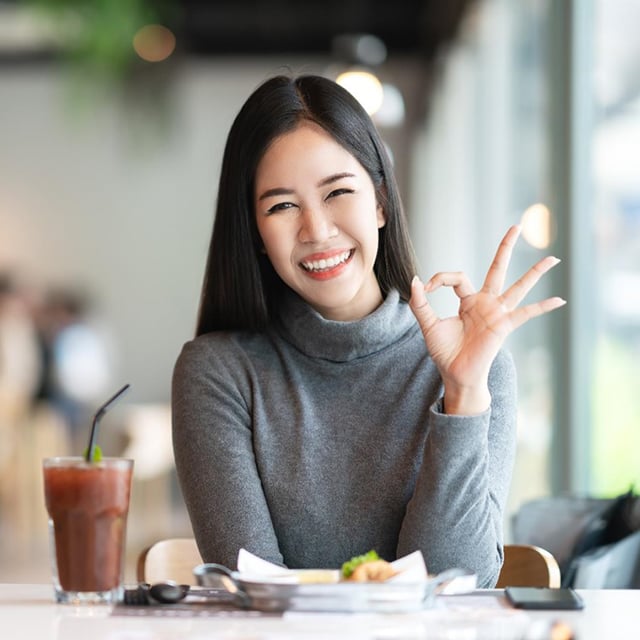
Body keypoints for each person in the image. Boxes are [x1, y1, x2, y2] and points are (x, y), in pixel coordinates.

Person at [171, 74, 565, 588]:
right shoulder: (219, 373)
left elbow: (455, 584)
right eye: (281, 205)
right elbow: (258, 599)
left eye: (337, 192)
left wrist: (463, 394)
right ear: (256, 235)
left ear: (380, 202)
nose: (317, 231)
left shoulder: (479, 366)